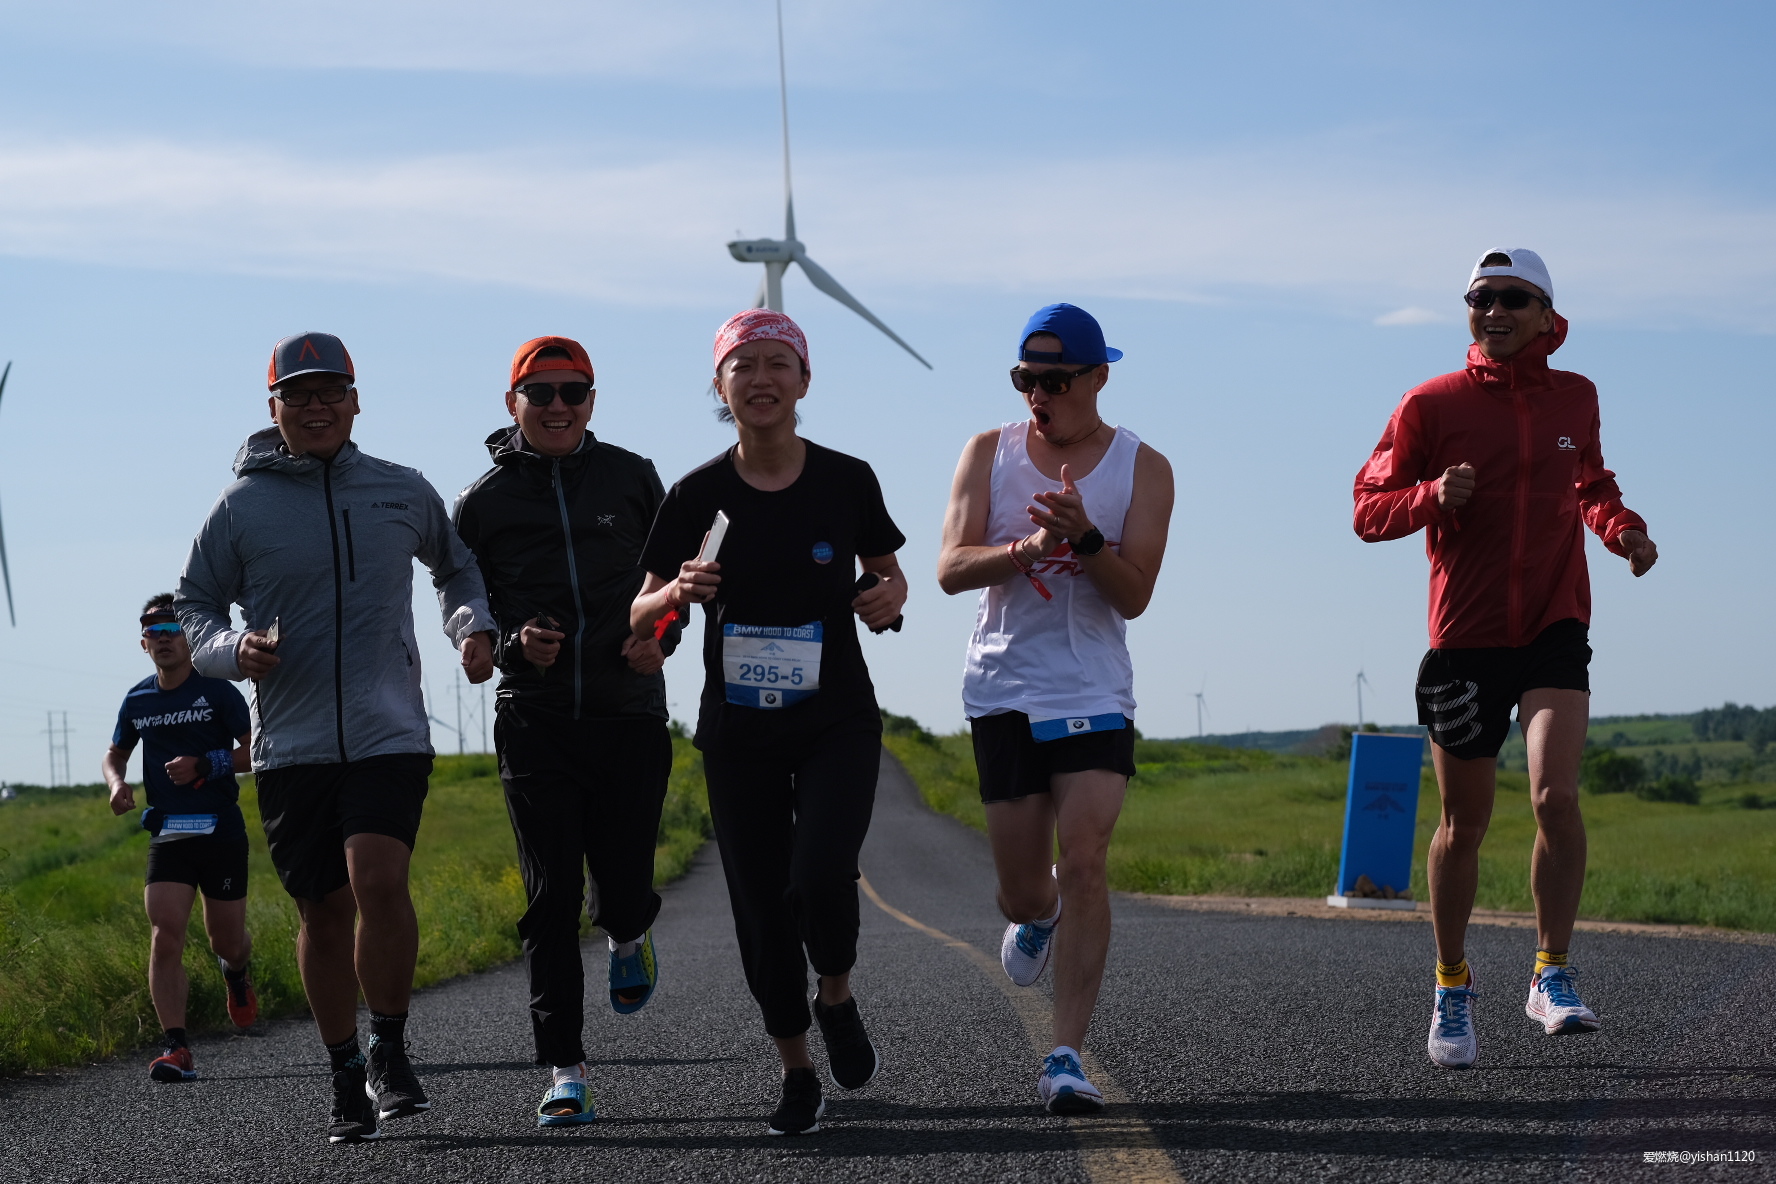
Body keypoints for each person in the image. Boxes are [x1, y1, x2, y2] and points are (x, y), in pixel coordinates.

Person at [176, 332, 496, 1143]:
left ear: (356, 401)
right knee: (322, 908)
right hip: (293, 744)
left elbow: (456, 568)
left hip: (390, 730)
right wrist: (231, 652)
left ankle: (389, 1050)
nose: (316, 407)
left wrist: (471, 630)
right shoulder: (239, 508)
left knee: (379, 880)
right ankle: (343, 1066)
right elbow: (194, 608)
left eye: (331, 392)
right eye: (299, 395)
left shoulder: (399, 490)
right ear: (274, 408)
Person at [1353, 249, 1657, 1071]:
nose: (1492, 310)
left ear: (1547, 315)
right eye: (1478, 298)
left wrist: (1621, 528)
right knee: (1466, 824)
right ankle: (1453, 985)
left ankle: (1550, 974)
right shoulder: (1431, 403)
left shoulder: (1576, 396)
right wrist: (1428, 497)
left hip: (1555, 624)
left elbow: (1589, 483)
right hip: (1467, 639)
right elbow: (1366, 508)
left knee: (1557, 796)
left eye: (1511, 299)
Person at [630, 309, 907, 1137]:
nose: (760, 379)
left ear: (804, 381)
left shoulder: (848, 480)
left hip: (836, 720)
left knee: (819, 873)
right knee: (758, 903)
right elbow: (638, 617)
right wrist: (676, 594)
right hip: (739, 729)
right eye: (742, 365)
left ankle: (838, 991)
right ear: (720, 386)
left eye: (777, 364)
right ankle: (795, 1068)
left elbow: (888, 581)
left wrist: (888, 598)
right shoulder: (697, 495)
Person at [937, 303, 1173, 1115]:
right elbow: (949, 567)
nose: (1040, 394)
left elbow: (1135, 595)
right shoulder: (987, 452)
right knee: (1022, 893)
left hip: (1091, 689)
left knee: (1085, 859)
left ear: (1098, 377)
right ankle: (1040, 915)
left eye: (1056, 380)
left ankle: (1066, 1054)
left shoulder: (1144, 467)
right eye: (1026, 380)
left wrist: (1084, 541)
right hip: (1004, 686)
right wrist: (1027, 550)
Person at [453, 336, 678, 1127]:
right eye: (541, 393)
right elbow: (467, 605)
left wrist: (663, 638)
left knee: (619, 888)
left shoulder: (634, 477)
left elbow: (672, 580)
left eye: (573, 392)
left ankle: (626, 934)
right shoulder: (481, 503)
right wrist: (513, 645)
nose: (558, 407)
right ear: (512, 402)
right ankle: (563, 1068)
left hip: (629, 713)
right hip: (536, 720)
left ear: (592, 400)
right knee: (549, 898)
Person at [102, 593, 257, 1083]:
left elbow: (258, 750)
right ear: (144, 643)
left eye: (173, 630)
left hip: (219, 829)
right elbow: (115, 752)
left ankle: (236, 972)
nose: (165, 640)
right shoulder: (139, 698)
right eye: (155, 632)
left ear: (189, 638)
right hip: (168, 831)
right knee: (165, 933)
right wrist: (117, 783)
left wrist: (206, 765)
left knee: (227, 940)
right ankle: (177, 1048)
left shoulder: (217, 692)